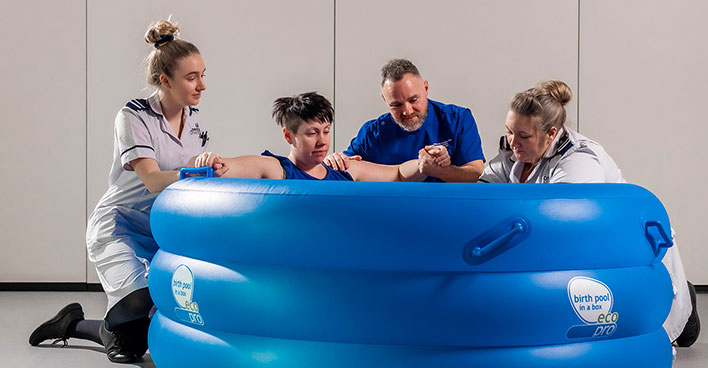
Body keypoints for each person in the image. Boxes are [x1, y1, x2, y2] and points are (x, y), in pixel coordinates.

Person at [28, 19, 213, 363]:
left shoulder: (197, 120)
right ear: (165, 81)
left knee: (136, 340)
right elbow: (154, 180)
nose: (202, 85)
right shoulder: (133, 116)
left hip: (160, 231)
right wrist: (197, 172)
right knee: (141, 304)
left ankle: (79, 324)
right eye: (191, 78)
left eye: (203, 74)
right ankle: (84, 326)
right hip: (117, 227)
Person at [479, 80, 699, 347]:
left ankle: (687, 302)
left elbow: (558, 219)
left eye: (523, 136)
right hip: (579, 249)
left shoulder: (580, 159)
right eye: (509, 131)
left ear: (551, 134)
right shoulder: (515, 150)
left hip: (621, 246)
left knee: (678, 333)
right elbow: (483, 191)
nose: (513, 142)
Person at [196, 92, 438, 181]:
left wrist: (424, 163)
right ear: (288, 136)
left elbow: (397, 174)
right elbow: (227, 166)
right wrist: (213, 162)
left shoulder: (344, 170)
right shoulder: (276, 169)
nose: (322, 140)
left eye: (326, 131)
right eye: (312, 133)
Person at [323, 58, 484, 182]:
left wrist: (440, 171)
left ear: (426, 89)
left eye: (414, 100)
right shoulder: (372, 133)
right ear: (385, 100)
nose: (407, 111)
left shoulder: (457, 119)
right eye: (396, 104)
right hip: (388, 215)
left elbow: (475, 173)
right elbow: (345, 168)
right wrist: (334, 160)